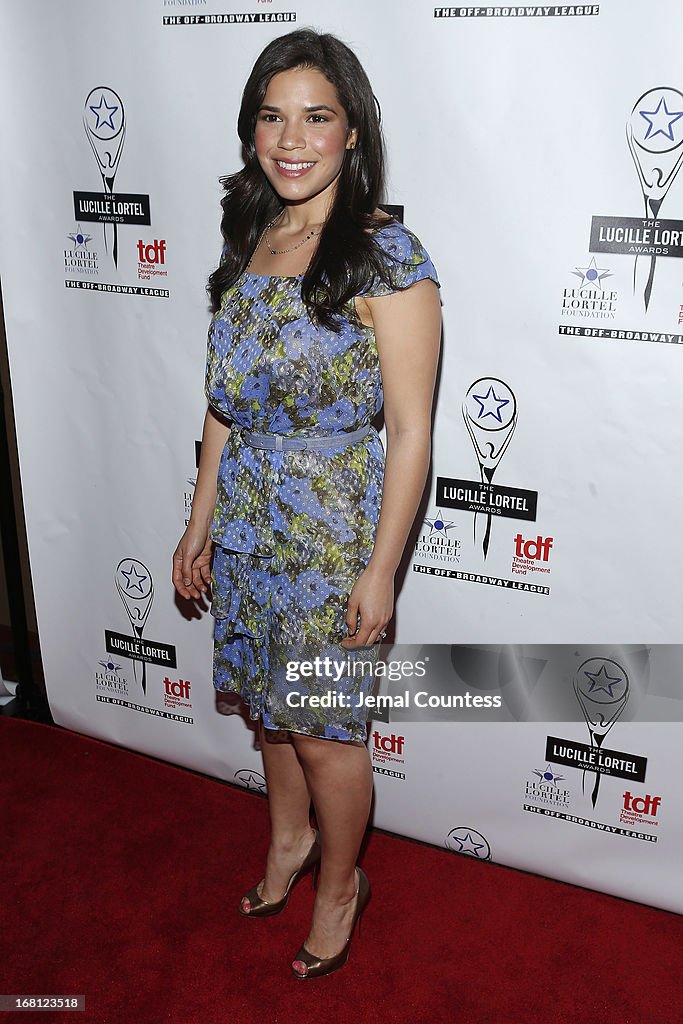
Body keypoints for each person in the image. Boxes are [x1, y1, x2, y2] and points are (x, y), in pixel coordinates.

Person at [172, 28, 441, 979]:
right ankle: (286, 846)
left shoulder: (385, 256)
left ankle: (340, 884)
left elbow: (409, 431)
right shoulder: (253, 235)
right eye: (271, 116)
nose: (291, 138)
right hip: (247, 520)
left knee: (324, 732)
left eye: (315, 117)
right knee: (270, 715)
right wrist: (199, 519)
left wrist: (381, 570)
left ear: (352, 133)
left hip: (331, 531)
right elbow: (223, 402)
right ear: (252, 130)